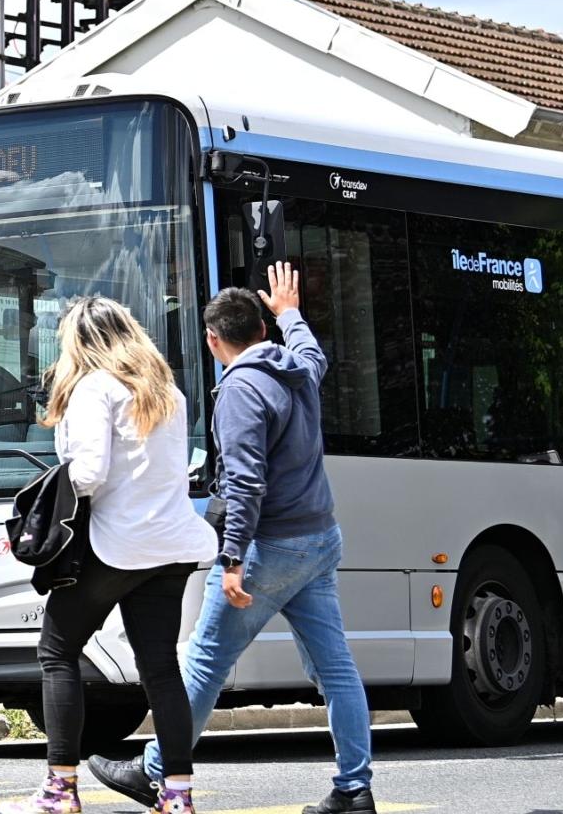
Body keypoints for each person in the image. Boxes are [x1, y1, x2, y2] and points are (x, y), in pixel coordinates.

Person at [90, 263, 376, 814]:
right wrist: (290, 312)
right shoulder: (297, 369)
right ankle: (354, 789)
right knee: (336, 669)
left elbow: (245, 483)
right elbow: (312, 352)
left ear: (212, 340)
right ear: (262, 330)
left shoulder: (240, 390)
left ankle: (155, 771)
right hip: (319, 539)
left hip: (270, 547)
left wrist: (232, 557)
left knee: (205, 662)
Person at [1, 297, 217, 814]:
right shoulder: (167, 391)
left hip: (117, 545)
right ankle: (177, 796)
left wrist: (50, 492)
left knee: (57, 652)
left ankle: (60, 791)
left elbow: (89, 472)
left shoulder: (95, 387)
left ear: (80, 343)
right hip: (173, 544)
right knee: (160, 668)